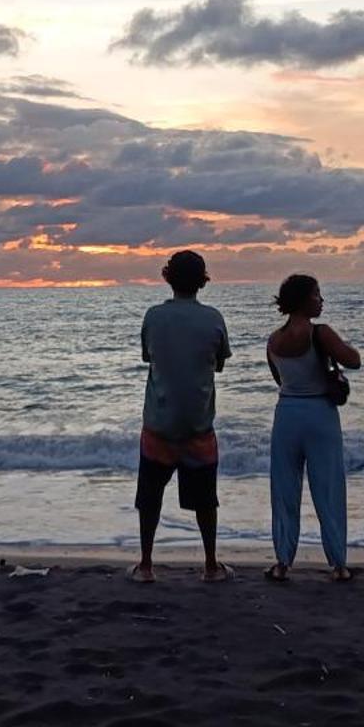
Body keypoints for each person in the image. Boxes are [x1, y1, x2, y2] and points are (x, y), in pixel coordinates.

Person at [132, 249, 232, 583]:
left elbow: (149, 356)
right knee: (206, 502)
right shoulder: (214, 318)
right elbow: (219, 362)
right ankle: (210, 565)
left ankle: (146, 565)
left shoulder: (153, 316)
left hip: (159, 425)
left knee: (150, 498)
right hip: (198, 427)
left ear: (167, 277)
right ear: (203, 281)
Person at [264, 273, 359, 582]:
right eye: (318, 295)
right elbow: (354, 360)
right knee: (328, 488)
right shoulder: (321, 333)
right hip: (320, 412)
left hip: (287, 413)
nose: (322, 300)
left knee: (284, 489)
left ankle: (282, 561)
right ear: (306, 299)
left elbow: (280, 381)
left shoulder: (274, 340)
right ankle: (338, 564)